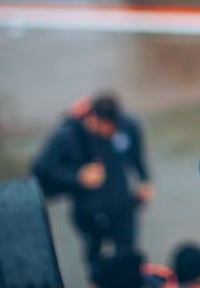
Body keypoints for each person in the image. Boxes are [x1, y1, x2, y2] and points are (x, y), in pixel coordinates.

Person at [32, 91, 155, 272]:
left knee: (128, 254)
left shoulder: (127, 126)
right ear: (94, 118)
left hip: (122, 205)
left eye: (115, 127)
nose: (111, 132)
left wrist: (145, 181)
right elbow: (41, 169)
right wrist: (77, 175)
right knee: (96, 258)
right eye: (107, 127)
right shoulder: (69, 135)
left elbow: (136, 155)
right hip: (89, 212)